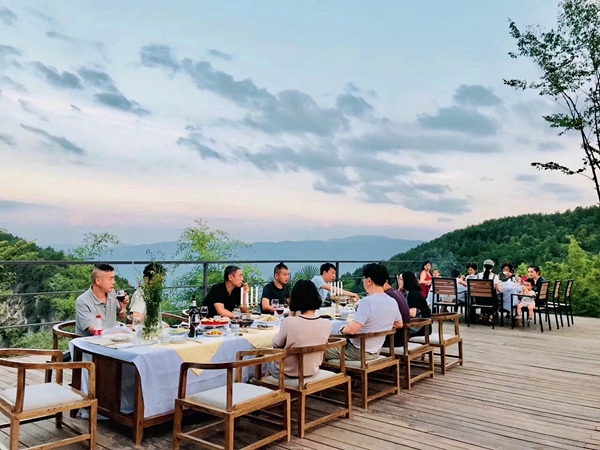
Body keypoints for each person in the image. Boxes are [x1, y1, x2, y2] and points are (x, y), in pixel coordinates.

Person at [325, 263, 403, 362]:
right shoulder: (392, 301)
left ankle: (333, 375)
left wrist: (342, 329)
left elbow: (351, 331)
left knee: (320, 349)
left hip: (358, 352)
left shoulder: (367, 302)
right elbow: (399, 324)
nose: (363, 281)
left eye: (363, 279)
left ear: (369, 281)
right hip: (376, 350)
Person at [267, 280, 332, 378]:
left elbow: (276, 346)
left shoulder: (289, 322)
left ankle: (265, 386)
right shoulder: (327, 323)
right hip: (312, 369)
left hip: (288, 372)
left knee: (267, 358)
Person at [75, 263, 129, 336]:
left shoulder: (112, 293)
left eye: (114, 278)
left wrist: (123, 306)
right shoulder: (83, 301)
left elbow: (121, 317)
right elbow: (94, 330)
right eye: (110, 279)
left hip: (111, 341)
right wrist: (121, 331)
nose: (114, 282)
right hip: (89, 344)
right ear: (98, 281)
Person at [398, 271, 432, 337]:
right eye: (398, 279)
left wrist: (396, 312)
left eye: (401, 279)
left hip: (421, 327)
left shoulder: (413, 294)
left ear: (407, 280)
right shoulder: (408, 293)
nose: (399, 281)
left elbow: (412, 313)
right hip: (419, 325)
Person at [383, 276, 410, 347]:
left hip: (394, 340)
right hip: (405, 336)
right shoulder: (396, 292)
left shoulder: (387, 295)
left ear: (386, 282)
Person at [476, 259, 502, 324]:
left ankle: (481, 315)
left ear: (483, 266)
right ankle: (491, 317)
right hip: (490, 300)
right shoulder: (494, 276)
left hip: (479, 300)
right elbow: (499, 289)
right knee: (493, 298)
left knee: (484, 296)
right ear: (492, 267)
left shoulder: (478, 275)